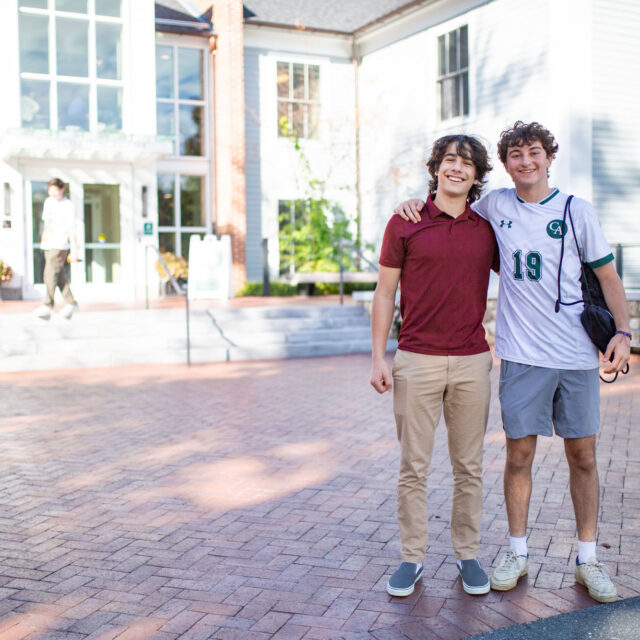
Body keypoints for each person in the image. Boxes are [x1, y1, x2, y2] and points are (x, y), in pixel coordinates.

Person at [394, 121, 631, 603]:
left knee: (582, 457)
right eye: (516, 154)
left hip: (576, 357)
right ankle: (517, 552)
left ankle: (588, 558)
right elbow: (446, 207)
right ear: (504, 164)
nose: (526, 161)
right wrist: (412, 204)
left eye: (535, 152)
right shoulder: (494, 207)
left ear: (549, 158)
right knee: (518, 457)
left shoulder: (576, 211)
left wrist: (624, 333)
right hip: (522, 357)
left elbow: (608, 277)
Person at [370, 135, 499, 597]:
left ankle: (468, 555)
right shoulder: (404, 222)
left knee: (469, 466)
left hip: (471, 362)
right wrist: (378, 356)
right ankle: (412, 557)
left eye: (467, 163)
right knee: (414, 467)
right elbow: (385, 293)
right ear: (436, 168)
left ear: (477, 176)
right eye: (450, 161)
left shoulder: (487, 229)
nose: (457, 169)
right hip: (415, 360)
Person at [33, 178, 79, 320]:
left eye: (55, 190)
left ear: (62, 190)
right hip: (48, 244)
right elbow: (46, 224)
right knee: (59, 275)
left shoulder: (68, 205)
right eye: (50, 190)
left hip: (60, 245)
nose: (52, 193)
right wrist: (43, 241)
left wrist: (74, 248)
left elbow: (71, 228)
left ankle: (48, 304)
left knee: (50, 273)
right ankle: (71, 302)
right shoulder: (48, 203)